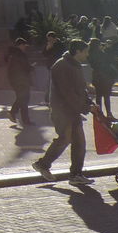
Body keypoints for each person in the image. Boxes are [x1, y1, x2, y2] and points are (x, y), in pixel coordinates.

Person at [32, 40, 94, 186]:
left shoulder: (74, 65)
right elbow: (67, 92)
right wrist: (85, 107)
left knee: (79, 143)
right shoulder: (62, 66)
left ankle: (75, 174)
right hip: (62, 110)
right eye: (86, 51)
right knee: (65, 139)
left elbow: (80, 89)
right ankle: (44, 165)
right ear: (78, 51)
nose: (87, 54)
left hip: (72, 110)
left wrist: (89, 103)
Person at [5, 38, 33, 126]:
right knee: (23, 98)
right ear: (20, 45)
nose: (25, 47)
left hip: (15, 80)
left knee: (22, 99)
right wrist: (31, 67)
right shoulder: (20, 54)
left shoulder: (13, 54)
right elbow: (25, 67)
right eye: (24, 45)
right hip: (21, 80)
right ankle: (13, 112)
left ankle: (25, 120)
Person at [90, 39, 118, 119]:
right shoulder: (101, 53)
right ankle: (109, 114)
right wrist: (108, 49)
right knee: (106, 96)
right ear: (97, 45)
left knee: (98, 96)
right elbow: (109, 60)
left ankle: (99, 113)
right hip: (105, 77)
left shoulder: (91, 54)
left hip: (96, 77)